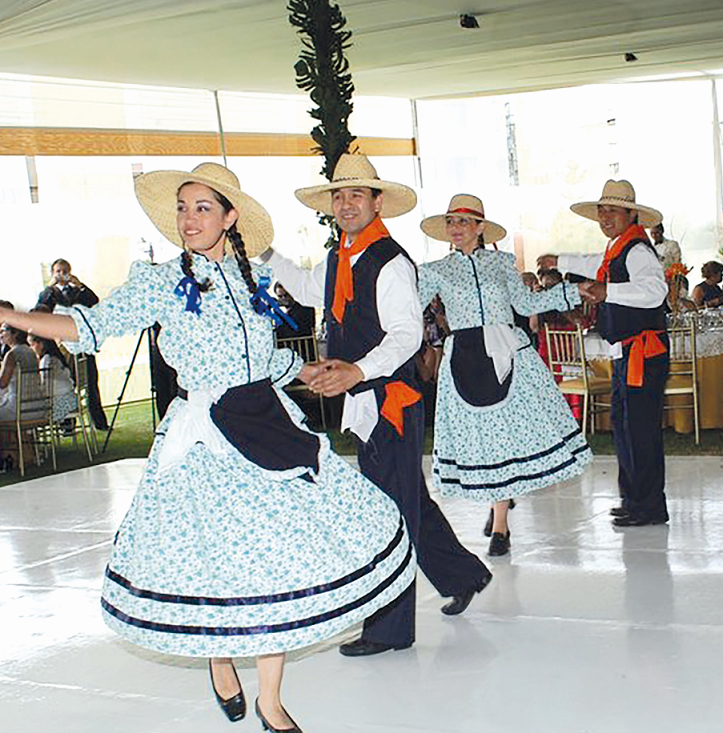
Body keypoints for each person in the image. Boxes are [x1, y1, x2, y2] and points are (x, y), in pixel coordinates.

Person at [0, 162, 416, 733]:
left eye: (202, 208)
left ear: (229, 217)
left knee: (281, 561)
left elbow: (265, 356)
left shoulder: (253, 282)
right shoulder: (160, 281)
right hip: (207, 438)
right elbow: (88, 327)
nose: (188, 219)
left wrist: (309, 369)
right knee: (215, 561)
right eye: (181, 208)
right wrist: (9, 315)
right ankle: (219, 654)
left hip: (269, 423)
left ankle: (271, 701)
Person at [264, 155, 490, 660]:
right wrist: (266, 253)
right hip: (369, 401)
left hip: (389, 401)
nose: (346, 204)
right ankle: (462, 573)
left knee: (387, 513)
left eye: (356, 195)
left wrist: (356, 371)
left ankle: (389, 629)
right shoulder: (340, 256)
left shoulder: (388, 260)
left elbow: (407, 334)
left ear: (377, 202)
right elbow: (307, 289)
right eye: (339, 196)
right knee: (405, 498)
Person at [419, 193, 593, 553]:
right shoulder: (434, 270)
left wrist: (571, 291)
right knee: (484, 439)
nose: (456, 228)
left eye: (464, 221)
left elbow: (526, 304)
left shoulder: (501, 262)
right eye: (451, 221)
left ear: (480, 227)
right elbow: (406, 309)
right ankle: (499, 504)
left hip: (506, 351)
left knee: (505, 437)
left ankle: (501, 526)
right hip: (464, 357)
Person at [540, 179, 669, 527]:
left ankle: (648, 505)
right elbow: (595, 261)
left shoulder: (638, 250)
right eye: (602, 210)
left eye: (613, 210)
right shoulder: (617, 249)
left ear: (631, 215)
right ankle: (635, 499)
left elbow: (655, 291)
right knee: (625, 427)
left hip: (643, 353)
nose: (606, 216)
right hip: (625, 353)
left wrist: (606, 290)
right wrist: (559, 259)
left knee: (639, 429)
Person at [35, 259, 109, 429]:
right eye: (58, 271)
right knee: (66, 384)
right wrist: (49, 287)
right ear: (53, 273)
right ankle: (67, 424)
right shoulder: (49, 293)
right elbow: (40, 310)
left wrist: (80, 285)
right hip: (63, 345)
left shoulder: (78, 291)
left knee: (90, 382)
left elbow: (94, 301)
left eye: (64, 271)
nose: (61, 274)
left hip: (82, 343)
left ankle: (99, 422)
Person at [27, 333, 78, 421]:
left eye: (32, 345)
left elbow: (45, 387)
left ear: (41, 344)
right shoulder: (56, 357)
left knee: (29, 412)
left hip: (60, 404)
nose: (30, 348)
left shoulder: (47, 360)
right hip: (71, 400)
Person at [0, 324, 39, 421]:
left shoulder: (12, 354)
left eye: (3, 331)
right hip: (37, 406)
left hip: (18, 408)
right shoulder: (31, 352)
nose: (0, 334)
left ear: (15, 333)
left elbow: (2, 383)